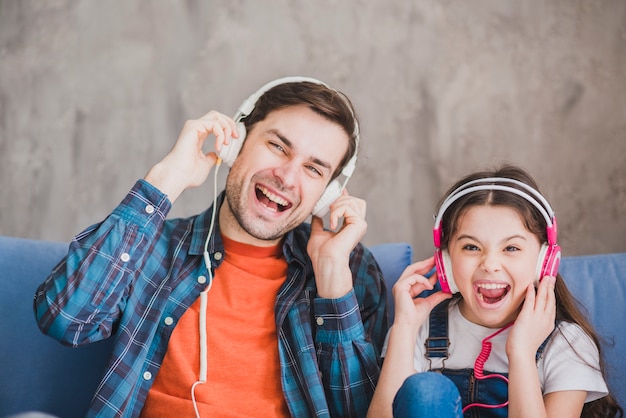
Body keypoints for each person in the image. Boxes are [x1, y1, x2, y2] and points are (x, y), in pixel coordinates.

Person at [34, 77, 388, 418]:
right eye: (278, 146)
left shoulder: (348, 270)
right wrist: (165, 180)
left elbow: (362, 411)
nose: (287, 177)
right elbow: (65, 320)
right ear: (236, 142)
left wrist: (331, 274)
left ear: (326, 193)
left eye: (313, 169)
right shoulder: (155, 244)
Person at [367, 164, 623, 417]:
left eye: (511, 248)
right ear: (445, 259)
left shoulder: (566, 343)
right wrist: (405, 328)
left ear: (544, 261)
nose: (489, 264)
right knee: (427, 391)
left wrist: (521, 352)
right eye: (471, 247)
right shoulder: (418, 330)